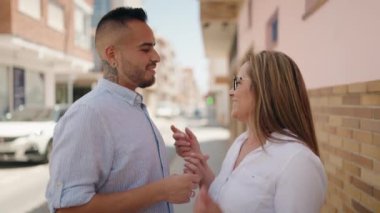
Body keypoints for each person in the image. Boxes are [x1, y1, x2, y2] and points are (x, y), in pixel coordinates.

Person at [46, 7, 199, 213]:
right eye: (145, 49)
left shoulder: (134, 107)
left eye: (153, 47)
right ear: (112, 55)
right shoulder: (89, 114)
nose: (156, 57)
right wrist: (161, 191)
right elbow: (68, 210)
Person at [172, 50, 327, 213]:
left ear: (264, 88)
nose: (231, 92)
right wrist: (201, 168)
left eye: (237, 83)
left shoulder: (298, 162)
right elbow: (225, 197)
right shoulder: (240, 142)